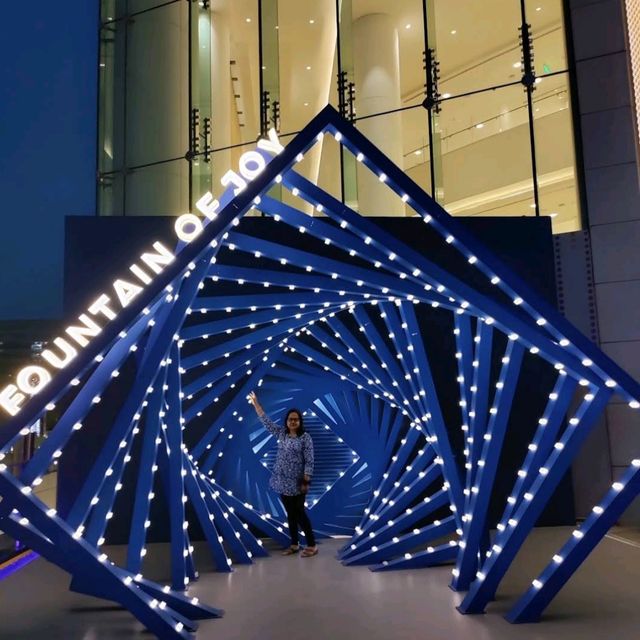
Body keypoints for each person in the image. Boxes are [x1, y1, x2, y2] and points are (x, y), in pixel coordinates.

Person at [248, 391, 318, 557]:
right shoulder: (281, 434)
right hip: (281, 481)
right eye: (290, 419)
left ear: (300, 421)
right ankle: (294, 544)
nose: (292, 421)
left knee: (300, 513)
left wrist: (306, 481)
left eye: (295, 419)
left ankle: (312, 545)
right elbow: (266, 421)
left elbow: (310, 460)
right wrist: (256, 403)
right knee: (291, 515)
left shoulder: (305, 438)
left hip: (298, 483)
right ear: (286, 421)